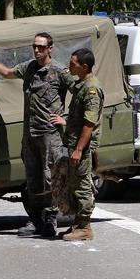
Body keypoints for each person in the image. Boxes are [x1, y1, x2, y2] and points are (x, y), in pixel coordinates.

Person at [0, 32, 73, 239]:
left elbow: (81, 91)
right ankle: (35, 219)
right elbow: (7, 73)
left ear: (50, 49)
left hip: (50, 134)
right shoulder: (29, 67)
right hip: (30, 133)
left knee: (50, 177)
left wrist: (67, 119)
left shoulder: (58, 71)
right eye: (35, 46)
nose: (37, 50)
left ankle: (50, 219)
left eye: (41, 47)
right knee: (33, 178)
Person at [52, 48, 103, 241]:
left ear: (84, 66)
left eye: (73, 63)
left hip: (83, 147)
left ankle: (85, 228)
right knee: (73, 184)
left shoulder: (91, 89)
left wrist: (79, 149)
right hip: (74, 144)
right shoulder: (82, 84)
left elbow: (89, 123)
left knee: (82, 186)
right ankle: (77, 225)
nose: (69, 66)